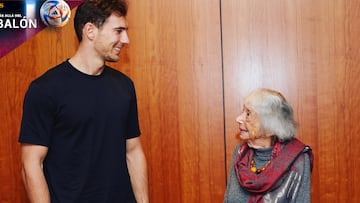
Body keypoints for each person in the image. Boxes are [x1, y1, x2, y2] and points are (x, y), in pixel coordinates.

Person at [18, 0, 149, 202]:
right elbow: (31, 165)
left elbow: (133, 151)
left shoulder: (124, 87)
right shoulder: (45, 89)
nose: (126, 39)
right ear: (90, 31)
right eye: (118, 31)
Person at [224, 88, 313, 203]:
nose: (238, 119)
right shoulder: (240, 152)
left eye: (248, 114)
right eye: (243, 111)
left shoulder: (297, 159)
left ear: (270, 128)